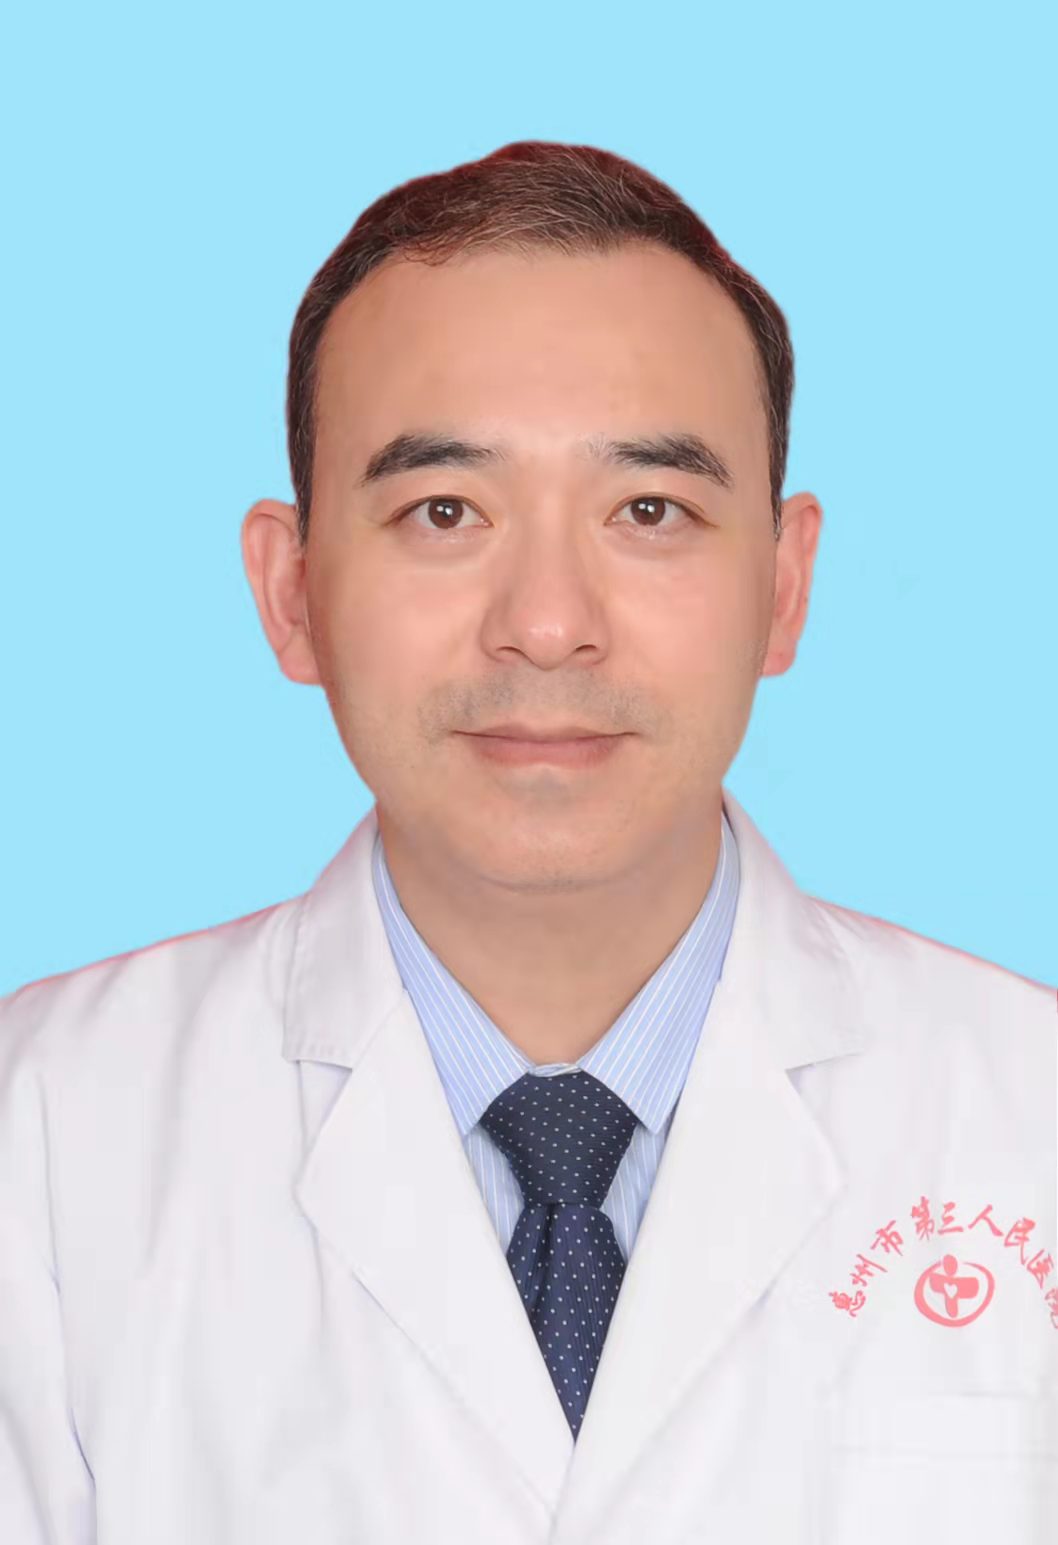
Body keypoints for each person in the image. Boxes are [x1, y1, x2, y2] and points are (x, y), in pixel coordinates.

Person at [1, 139, 1054, 1545]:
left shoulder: (1029, 1113)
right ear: (292, 590)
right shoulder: (43, 1135)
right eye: (443, 511)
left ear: (783, 584)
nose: (548, 623)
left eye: (649, 511)